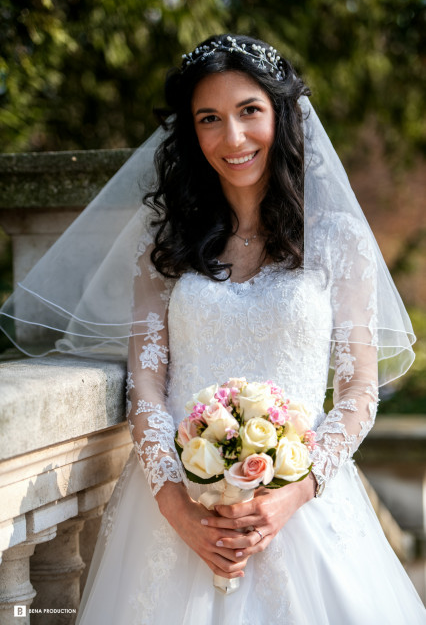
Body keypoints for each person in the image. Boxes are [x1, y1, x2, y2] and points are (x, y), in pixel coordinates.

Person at [1, 34, 425, 624]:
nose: (233, 138)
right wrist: (177, 507)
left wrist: (292, 494)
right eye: (209, 118)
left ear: (280, 113)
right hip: (173, 517)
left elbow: (355, 396)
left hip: (305, 510)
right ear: (190, 132)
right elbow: (146, 389)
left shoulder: (337, 242)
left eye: (249, 111)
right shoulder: (164, 250)